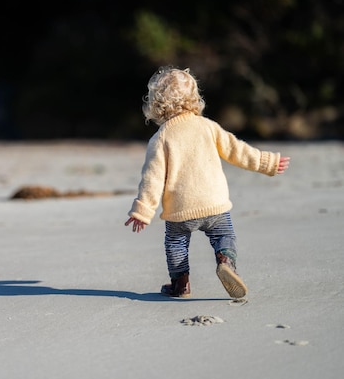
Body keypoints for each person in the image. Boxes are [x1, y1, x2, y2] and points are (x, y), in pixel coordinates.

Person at [124, 66, 290, 299]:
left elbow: (152, 179)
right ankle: (226, 261)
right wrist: (267, 162)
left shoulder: (160, 137)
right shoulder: (208, 127)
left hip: (180, 210)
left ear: (156, 103)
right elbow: (237, 151)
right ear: (195, 97)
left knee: (175, 244)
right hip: (215, 203)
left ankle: (181, 284)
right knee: (225, 236)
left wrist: (142, 210)